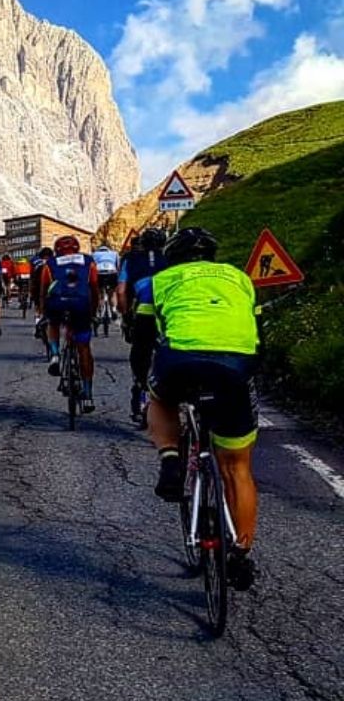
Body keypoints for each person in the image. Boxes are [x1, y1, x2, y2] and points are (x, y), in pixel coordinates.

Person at [141, 227, 262, 590]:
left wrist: (140, 376)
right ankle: (241, 554)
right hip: (236, 366)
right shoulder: (240, 279)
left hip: (181, 362)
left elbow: (143, 337)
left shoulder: (158, 281)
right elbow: (256, 329)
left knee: (159, 397)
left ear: (172, 257)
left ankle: (169, 460)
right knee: (237, 467)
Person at [38, 235, 100, 412]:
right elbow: (94, 289)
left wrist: (43, 311)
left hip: (57, 303)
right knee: (84, 348)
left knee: (52, 322)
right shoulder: (89, 262)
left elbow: (43, 291)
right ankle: (87, 395)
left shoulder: (50, 264)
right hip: (81, 305)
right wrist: (93, 311)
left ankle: (56, 355)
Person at [117, 227, 168, 421]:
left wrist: (125, 317)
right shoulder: (171, 258)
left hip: (144, 311)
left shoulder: (130, 259)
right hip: (170, 311)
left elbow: (121, 292)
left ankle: (140, 389)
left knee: (140, 353)